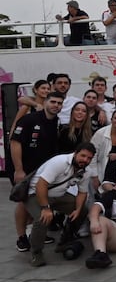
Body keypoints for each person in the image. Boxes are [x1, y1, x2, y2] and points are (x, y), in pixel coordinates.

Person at [24, 143, 96, 266]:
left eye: (89, 158)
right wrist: (45, 208)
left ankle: (65, 241)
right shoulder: (59, 162)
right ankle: (36, 253)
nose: (85, 160)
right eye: (83, 156)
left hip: (59, 195)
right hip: (36, 193)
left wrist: (78, 210)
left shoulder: (86, 171)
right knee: (42, 219)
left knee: (83, 210)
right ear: (75, 153)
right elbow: (41, 184)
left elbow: (82, 193)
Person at [11, 92, 64, 252]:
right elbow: (15, 143)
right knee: (24, 202)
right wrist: (18, 169)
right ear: (46, 102)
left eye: (59, 103)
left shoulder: (56, 122)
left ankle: (33, 233)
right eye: (53, 102)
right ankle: (21, 237)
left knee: (39, 200)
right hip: (26, 169)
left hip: (45, 171)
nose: (56, 105)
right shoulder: (29, 120)